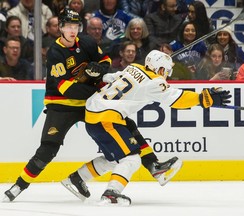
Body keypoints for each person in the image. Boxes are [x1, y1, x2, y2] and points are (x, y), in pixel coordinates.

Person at [4, 8, 182, 202]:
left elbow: (104, 60)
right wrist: (99, 91)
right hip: (62, 105)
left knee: (126, 124)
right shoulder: (56, 53)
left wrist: (101, 70)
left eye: (75, 26)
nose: (72, 30)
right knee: (48, 149)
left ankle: (153, 166)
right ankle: (18, 186)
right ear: (61, 27)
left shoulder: (87, 41)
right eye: (68, 26)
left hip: (91, 103)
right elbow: (66, 89)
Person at [61, 49, 232, 205]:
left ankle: (77, 178)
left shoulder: (133, 67)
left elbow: (111, 77)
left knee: (115, 160)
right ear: (161, 69)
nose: (167, 75)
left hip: (95, 115)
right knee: (131, 159)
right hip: (107, 118)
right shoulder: (155, 81)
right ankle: (112, 193)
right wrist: (202, 98)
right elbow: (176, 98)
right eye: (166, 71)